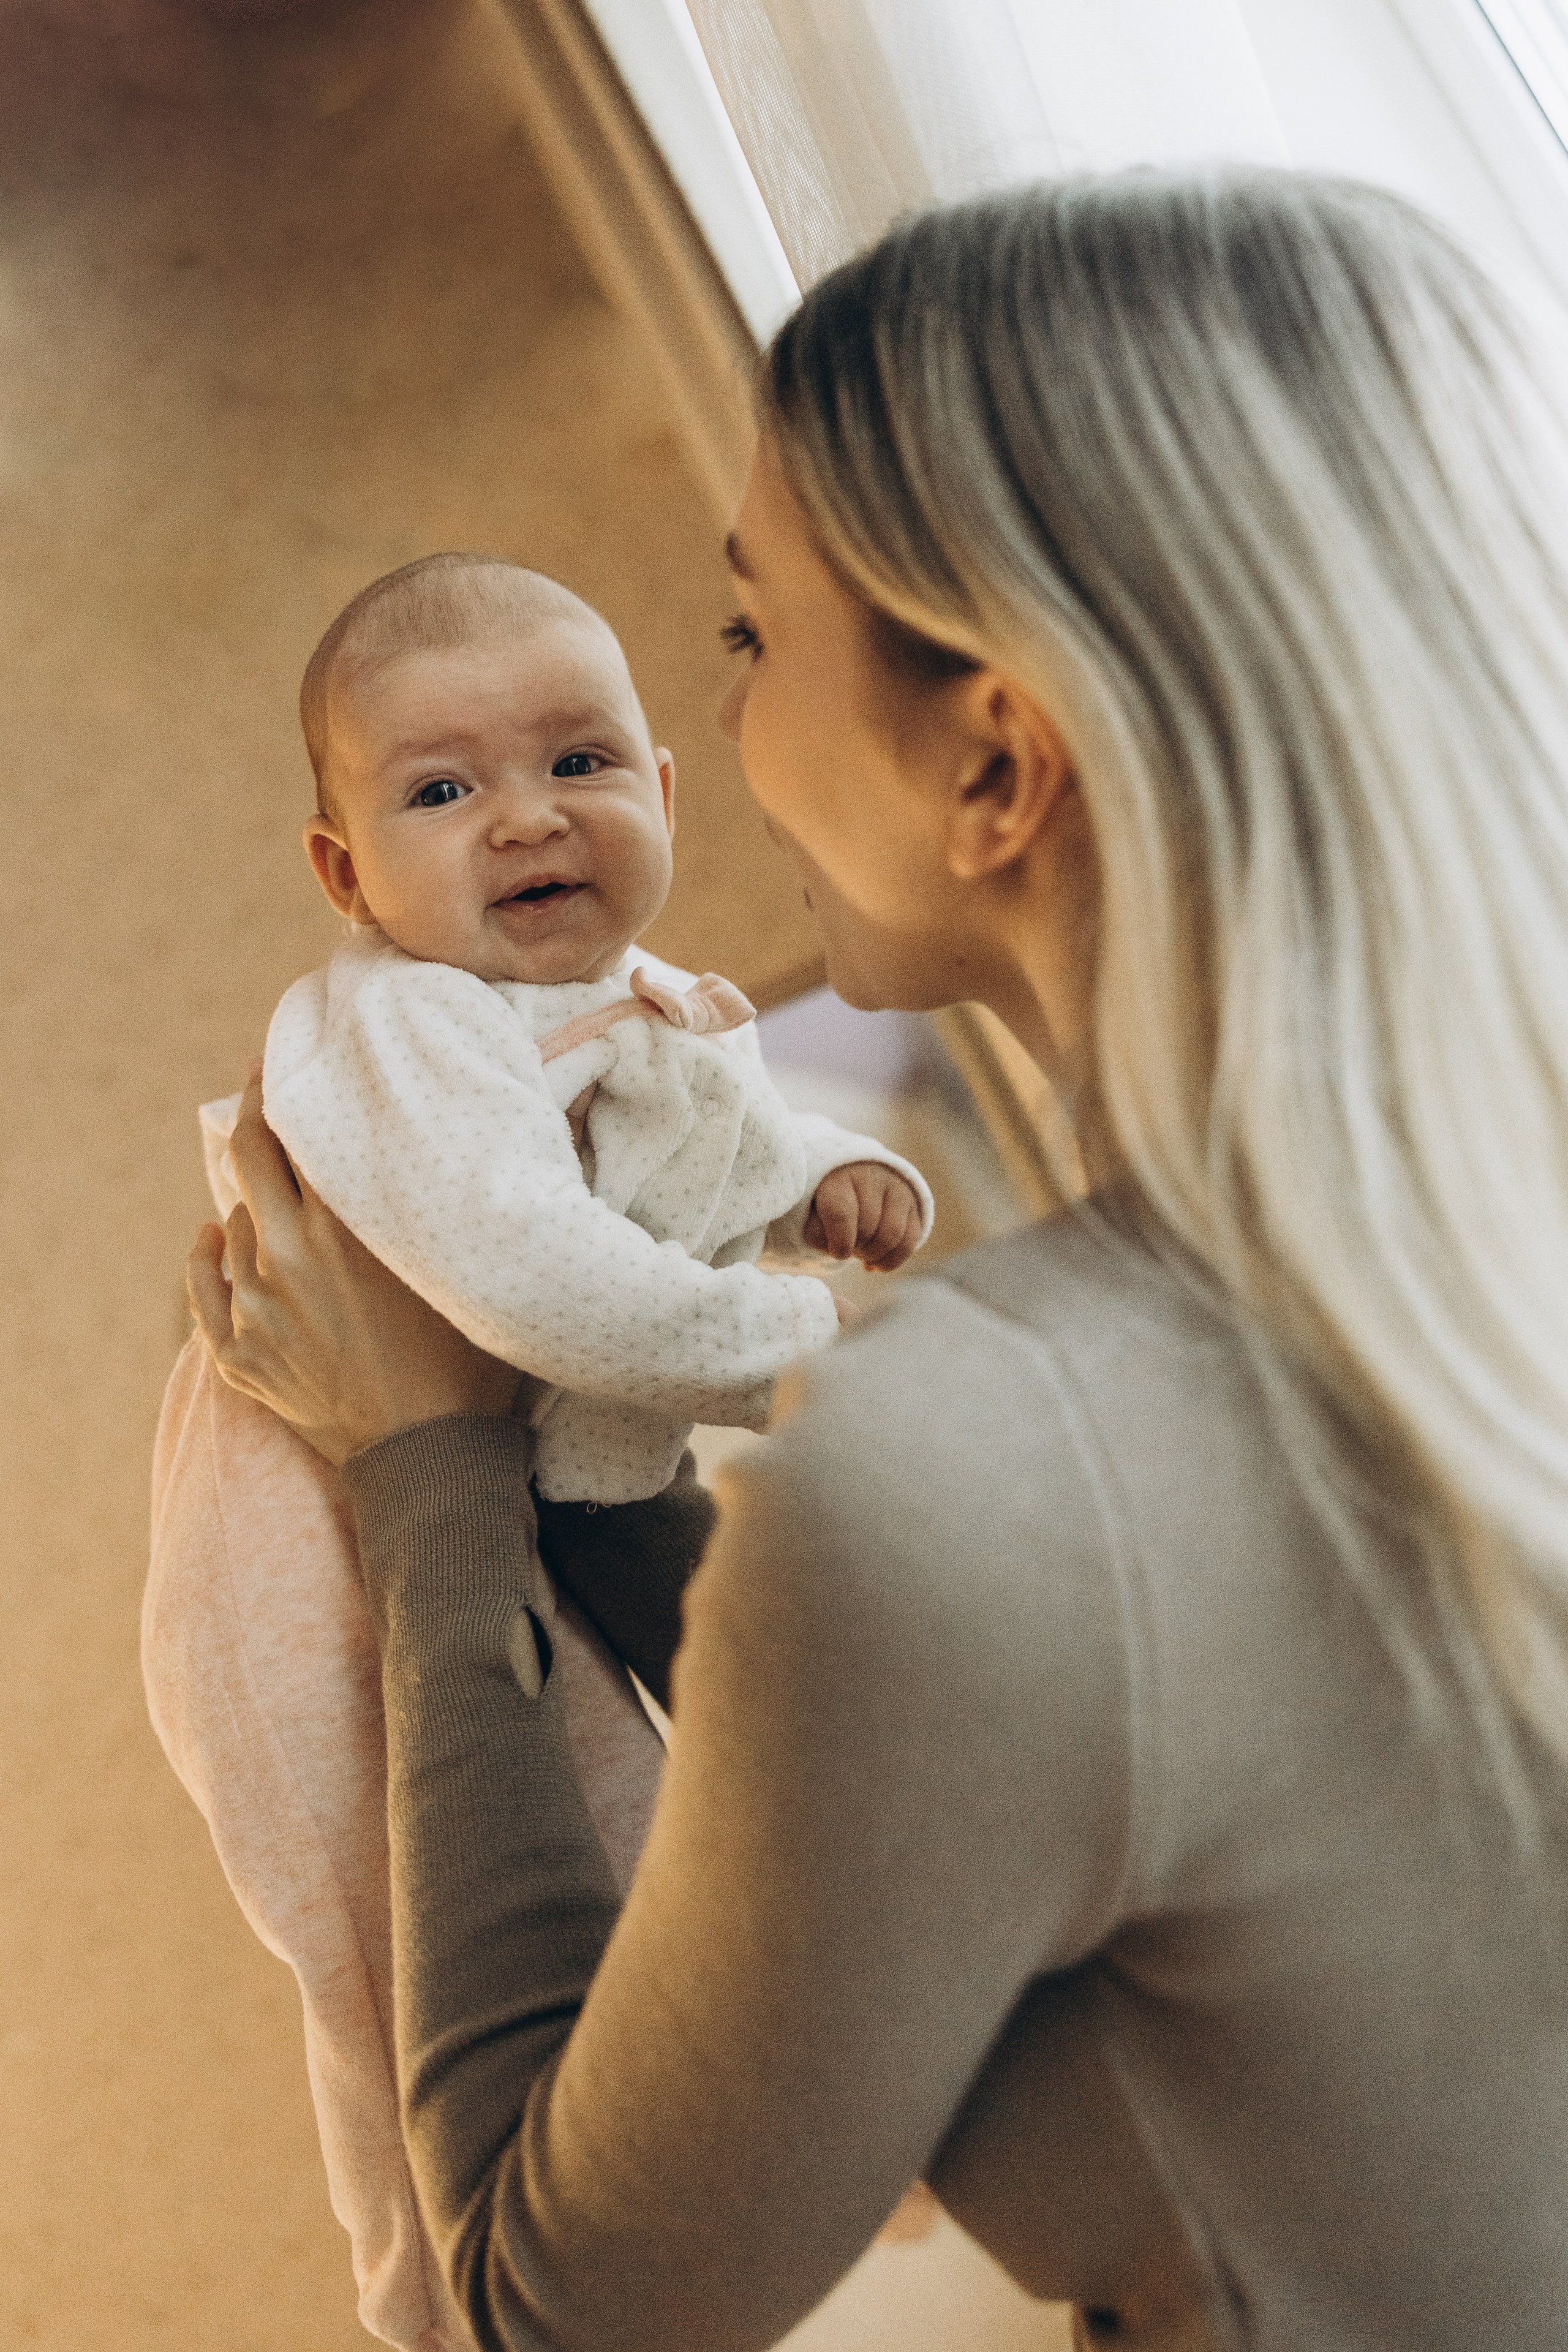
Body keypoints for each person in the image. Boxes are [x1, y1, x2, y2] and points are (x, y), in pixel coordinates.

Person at [185, 172, 1568, 2351]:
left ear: (996, 760)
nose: (707, 744)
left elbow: (558, 2308)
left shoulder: (984, 1451)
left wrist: (429, 1471)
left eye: (747, 639)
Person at [143, 554, 929, 2352]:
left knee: (660, 1847)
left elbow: (715, 1137)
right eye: (440, 791)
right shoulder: (399, 1020)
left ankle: (782, 2132)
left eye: (576, 763)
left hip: (488, 1483)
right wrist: (792, 1329)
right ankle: (427, 2294)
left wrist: (820, 1181)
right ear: (346, 876)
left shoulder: (635, 996)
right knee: (386, 1941)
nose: (521, 821)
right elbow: (533, 1281)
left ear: (662, 791)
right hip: (305, 1542)